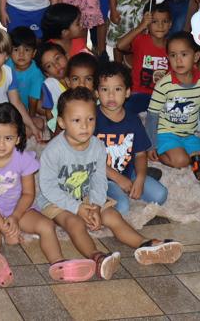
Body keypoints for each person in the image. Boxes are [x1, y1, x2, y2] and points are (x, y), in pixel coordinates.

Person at [37, 88, 184, 280]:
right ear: (62, 122)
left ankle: (146, 245)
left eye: (90, 119)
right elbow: (48, 187)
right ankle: (97, 258)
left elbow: (98, 179)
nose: (85, 126)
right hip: (55, 199)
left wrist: (96, 206)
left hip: (85, 194)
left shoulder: (97, 146)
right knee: (74, 223)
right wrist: (77, 208)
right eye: (76, 120)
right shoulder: (54, 150)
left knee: (113, 216)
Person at [0, 103, 96, 286]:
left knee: (46, 225)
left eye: (8, 138)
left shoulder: (24, 159)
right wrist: (6, 228)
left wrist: (14, 217)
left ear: (19, 139)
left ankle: (58, 263)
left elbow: (29, 194)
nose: (1, 144)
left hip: (17, 208)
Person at [145, 32, 200, 196]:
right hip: (166, 132)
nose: (178, 60)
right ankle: (164, 154)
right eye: (173, 55)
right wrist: (151, 145)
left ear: (196, 56)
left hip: (189, 134)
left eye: (184, 54)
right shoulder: (164, 85)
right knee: (182, 161)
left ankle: (194, 159)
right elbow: (152, 116)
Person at [95, 62, 168, 214]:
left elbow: (140, 153)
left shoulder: (133, 120)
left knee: (160, 195)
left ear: (128, 92)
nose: (111, 95)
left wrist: (140, 177)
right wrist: (117, 178)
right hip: (99, 177)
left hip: (128, 171)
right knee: (122, 207)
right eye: (104, 89)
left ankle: (146, 174)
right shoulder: (91, 119)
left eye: (118, 89)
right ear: (96, 93)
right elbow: (86, 158)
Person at [116, 4, 172, 114]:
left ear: (170, 24)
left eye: (164, 21)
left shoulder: (173, 45)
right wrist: (141, 26)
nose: (160, 26)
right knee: (126, 116)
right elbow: (120, 45)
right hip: (138, 93)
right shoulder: (140, 40)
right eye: (154, 21)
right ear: (147, 23)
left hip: (162, 96)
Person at [8, 27, 45, 126]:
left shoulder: (36, 73)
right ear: (9, 52)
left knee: (40, 120)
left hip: (26, 107)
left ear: (34, 53)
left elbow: (33, 99)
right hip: (7, 103)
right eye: (16, 49)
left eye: (27, 50)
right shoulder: (6, 65)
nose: (21, 54)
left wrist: (30, 117)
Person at [36, 42, 69, 133]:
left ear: (67, 56)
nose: (56, 65)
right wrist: (54, 135)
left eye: (57, 58)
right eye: (49, 66)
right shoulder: (50, 85)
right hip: (63, 125)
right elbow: (49, 113)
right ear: (47, 73)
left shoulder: (79, 74)